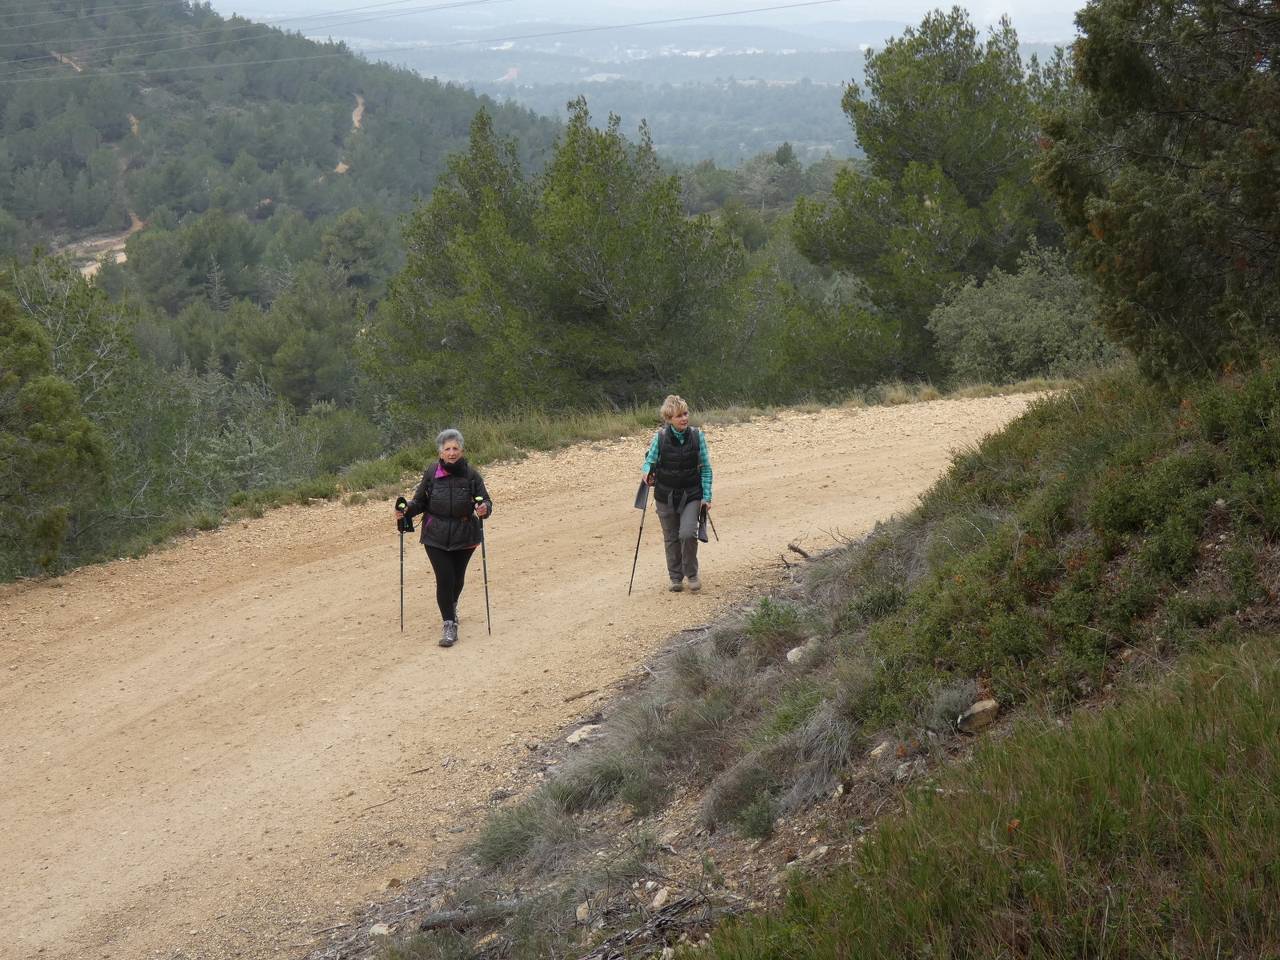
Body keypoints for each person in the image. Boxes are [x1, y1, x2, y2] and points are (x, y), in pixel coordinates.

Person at [395, 428, 492, 647]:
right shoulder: (431, 473)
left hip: (465, 534)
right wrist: (406, 509)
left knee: (457, 579)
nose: (451, 452)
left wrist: (484, 508)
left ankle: (452, 604)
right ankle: (449, 623)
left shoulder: (471, 474)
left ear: (462, 450)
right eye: (447, 449)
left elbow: (486, 501)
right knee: (445, 578)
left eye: (455, 448)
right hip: (435, 534)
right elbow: (419, 502)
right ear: (440, 453)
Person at [641, 394, 713, 592]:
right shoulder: (661, 437)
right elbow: (649, 461)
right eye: (679, 415)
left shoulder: (697, 436)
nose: (684, 418)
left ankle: (691, 574)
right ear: (669, 419)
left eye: (685, 413)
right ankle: (675, 578)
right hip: (665, 495)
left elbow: (706, 468)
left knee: (688, 533)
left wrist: (707, 497)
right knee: (671, 537)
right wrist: (647, 472)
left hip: (691, 494)